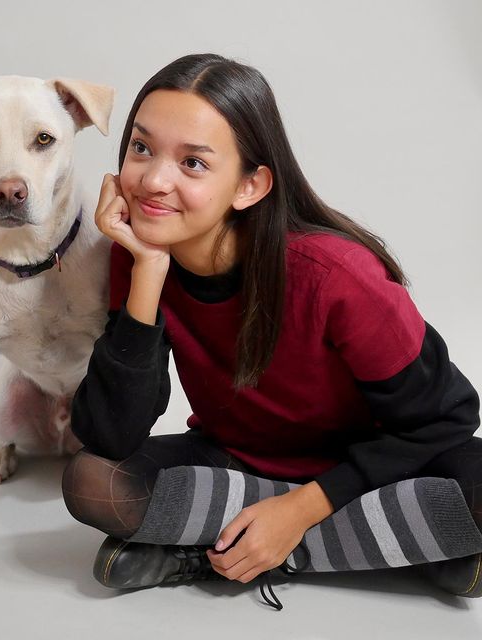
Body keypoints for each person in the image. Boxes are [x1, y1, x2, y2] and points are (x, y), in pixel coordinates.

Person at [61, 53, 482, 609]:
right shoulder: (140, 257)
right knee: (92, 482)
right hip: (241, 457)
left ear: (250, 185)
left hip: (372, 467)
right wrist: (147, 270)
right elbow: (111, 434)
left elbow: (450, 416)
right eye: (142, 147)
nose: (153, 180)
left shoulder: (337, 276)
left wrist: (301, 510)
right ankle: (395, 546)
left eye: (193, 163)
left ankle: (238, 548)